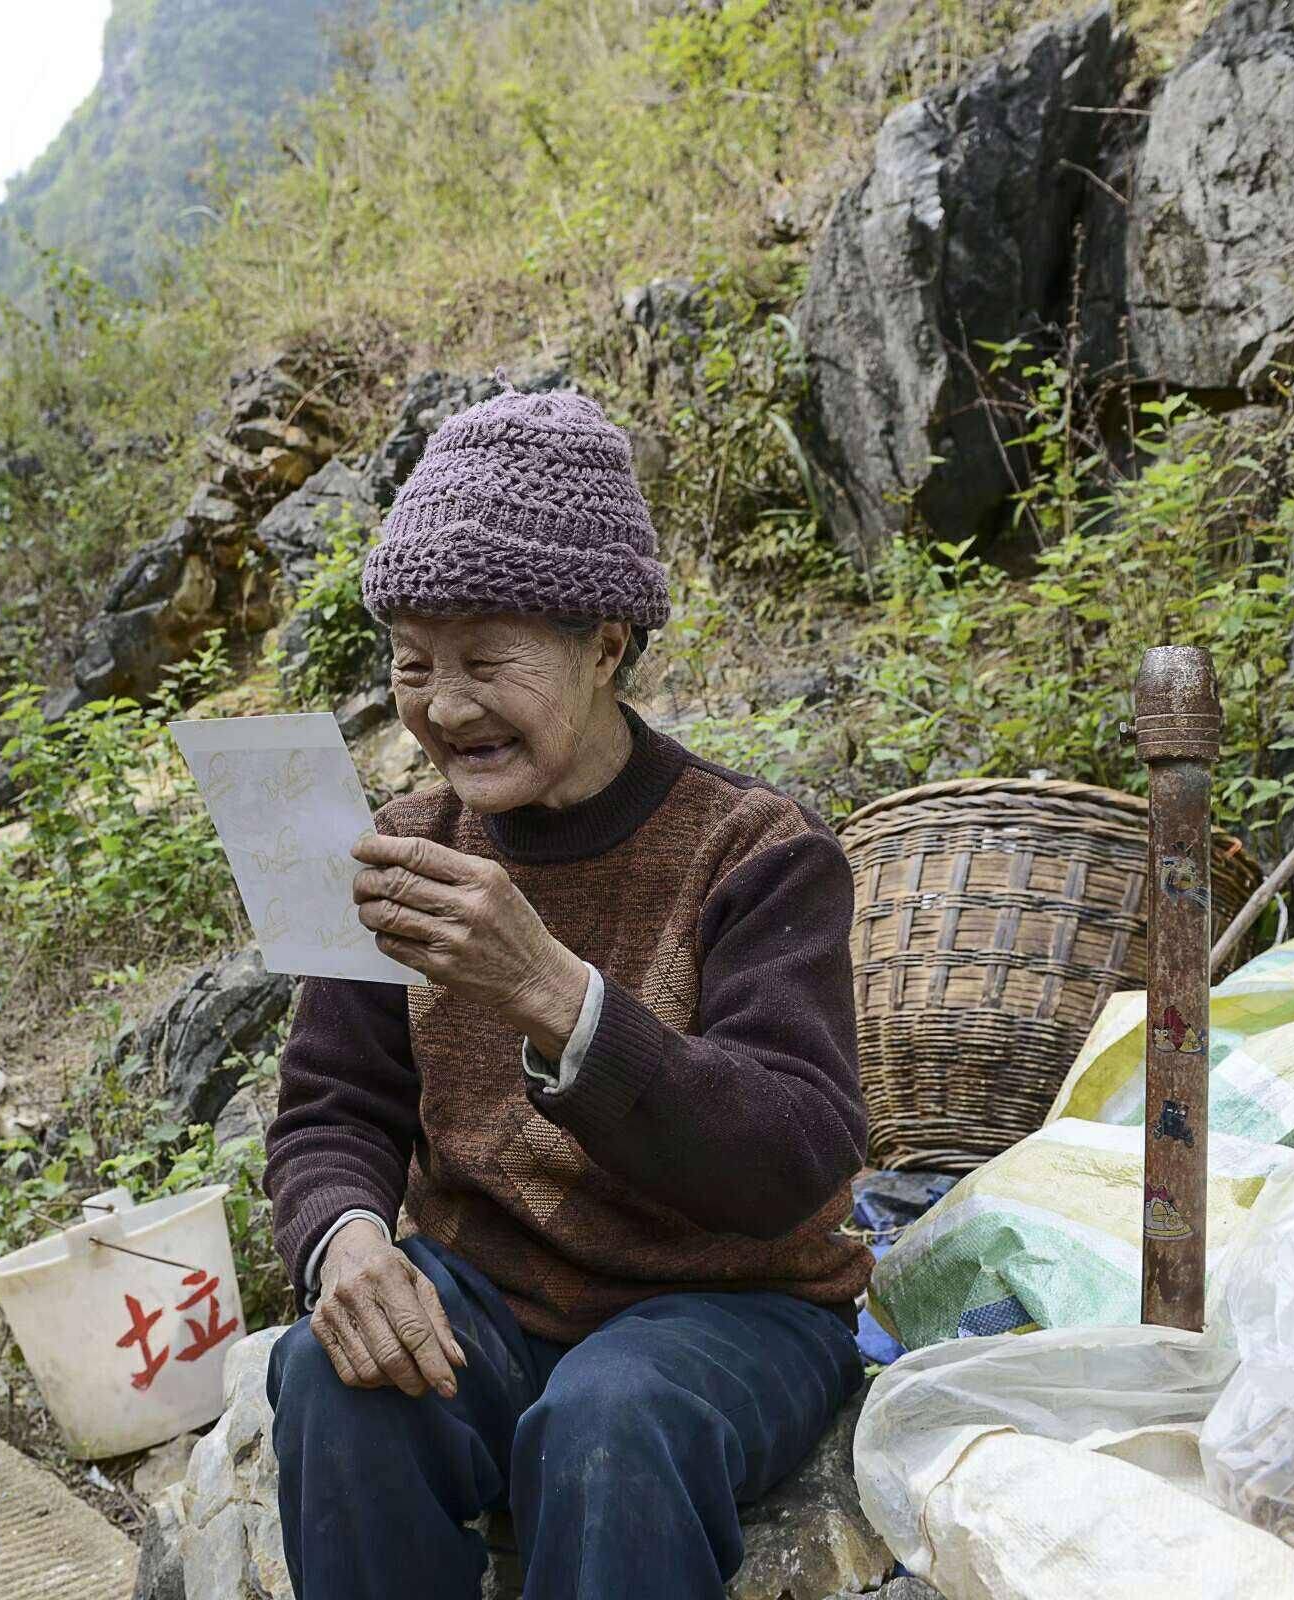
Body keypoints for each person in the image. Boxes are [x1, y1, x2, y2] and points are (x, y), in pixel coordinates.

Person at [261, 389, 873, 1600]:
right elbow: (333, 1106)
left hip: (732, 1309)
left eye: (487, 660)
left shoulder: (755, 849)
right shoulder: (405, 843)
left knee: (613, 1420)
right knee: (340, 1374)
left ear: (606, 645)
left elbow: (796, 1153)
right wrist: (343, 1240)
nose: (442, 706)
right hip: (494, 1298)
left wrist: (553, 993)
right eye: (412, 664)